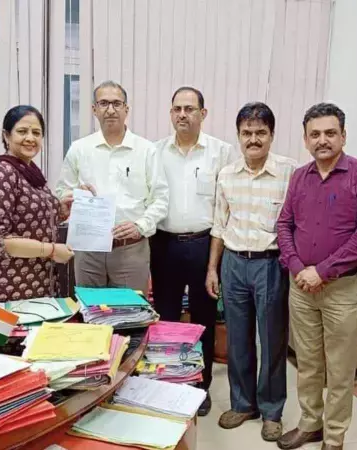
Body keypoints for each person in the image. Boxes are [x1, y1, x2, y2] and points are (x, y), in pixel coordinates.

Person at [276, 103, 357, 450]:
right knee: (307, 363)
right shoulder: (299, 176)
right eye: (315, 134)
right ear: (306, 139)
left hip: (344, 287)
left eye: (330, 133)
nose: (322, 140)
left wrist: (321, 272)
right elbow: (284, 225)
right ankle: (311, 424)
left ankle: (334, 438)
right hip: (301, 286)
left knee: (339, 368)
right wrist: (298, 268)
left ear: (343, 136)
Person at [207, 102, 296, 442]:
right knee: (237, 339)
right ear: (238, 135)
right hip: (233, 263)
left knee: (272, 340)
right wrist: (212, 269)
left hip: (270, 264)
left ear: (271, 135)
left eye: (261, 132)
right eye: (247, 133)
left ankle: (272, 411)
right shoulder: (227, 174)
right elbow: (219, 225)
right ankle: (243, 404)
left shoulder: (290, 172)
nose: (253, 139)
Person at [152, 87, 236, 416]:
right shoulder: (156, 152)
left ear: (203, 113)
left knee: (204, 320)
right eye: (177, 109)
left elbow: (225, 207)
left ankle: (200, 386)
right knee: (167, 318)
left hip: (205, 245)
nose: (183, 115)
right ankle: (170, 383)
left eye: (189, 109)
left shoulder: (221, 152)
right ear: (171, 113)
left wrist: (216, 261)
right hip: (164, 244)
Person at [56, 81, 169, 294]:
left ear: (126, 109)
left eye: (117, 103)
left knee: (130, 312)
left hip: (130, 248)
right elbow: (61, 193)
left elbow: (161, 199)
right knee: (91, 310)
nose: (110, 110)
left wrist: (140, 226)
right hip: (88, 250)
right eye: (104, 103)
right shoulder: (79, 149)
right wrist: (74, 195)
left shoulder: (146, 150)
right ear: (94, 109)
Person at [0, 105, 75, 302]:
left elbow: (29, 220)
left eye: (36, 133)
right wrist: (52, 250)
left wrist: (61, 210)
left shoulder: (31, 174)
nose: (30, 138)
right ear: (6, 135)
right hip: (4, 285)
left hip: (38, 282)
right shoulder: (2, 172)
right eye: (22, 131)